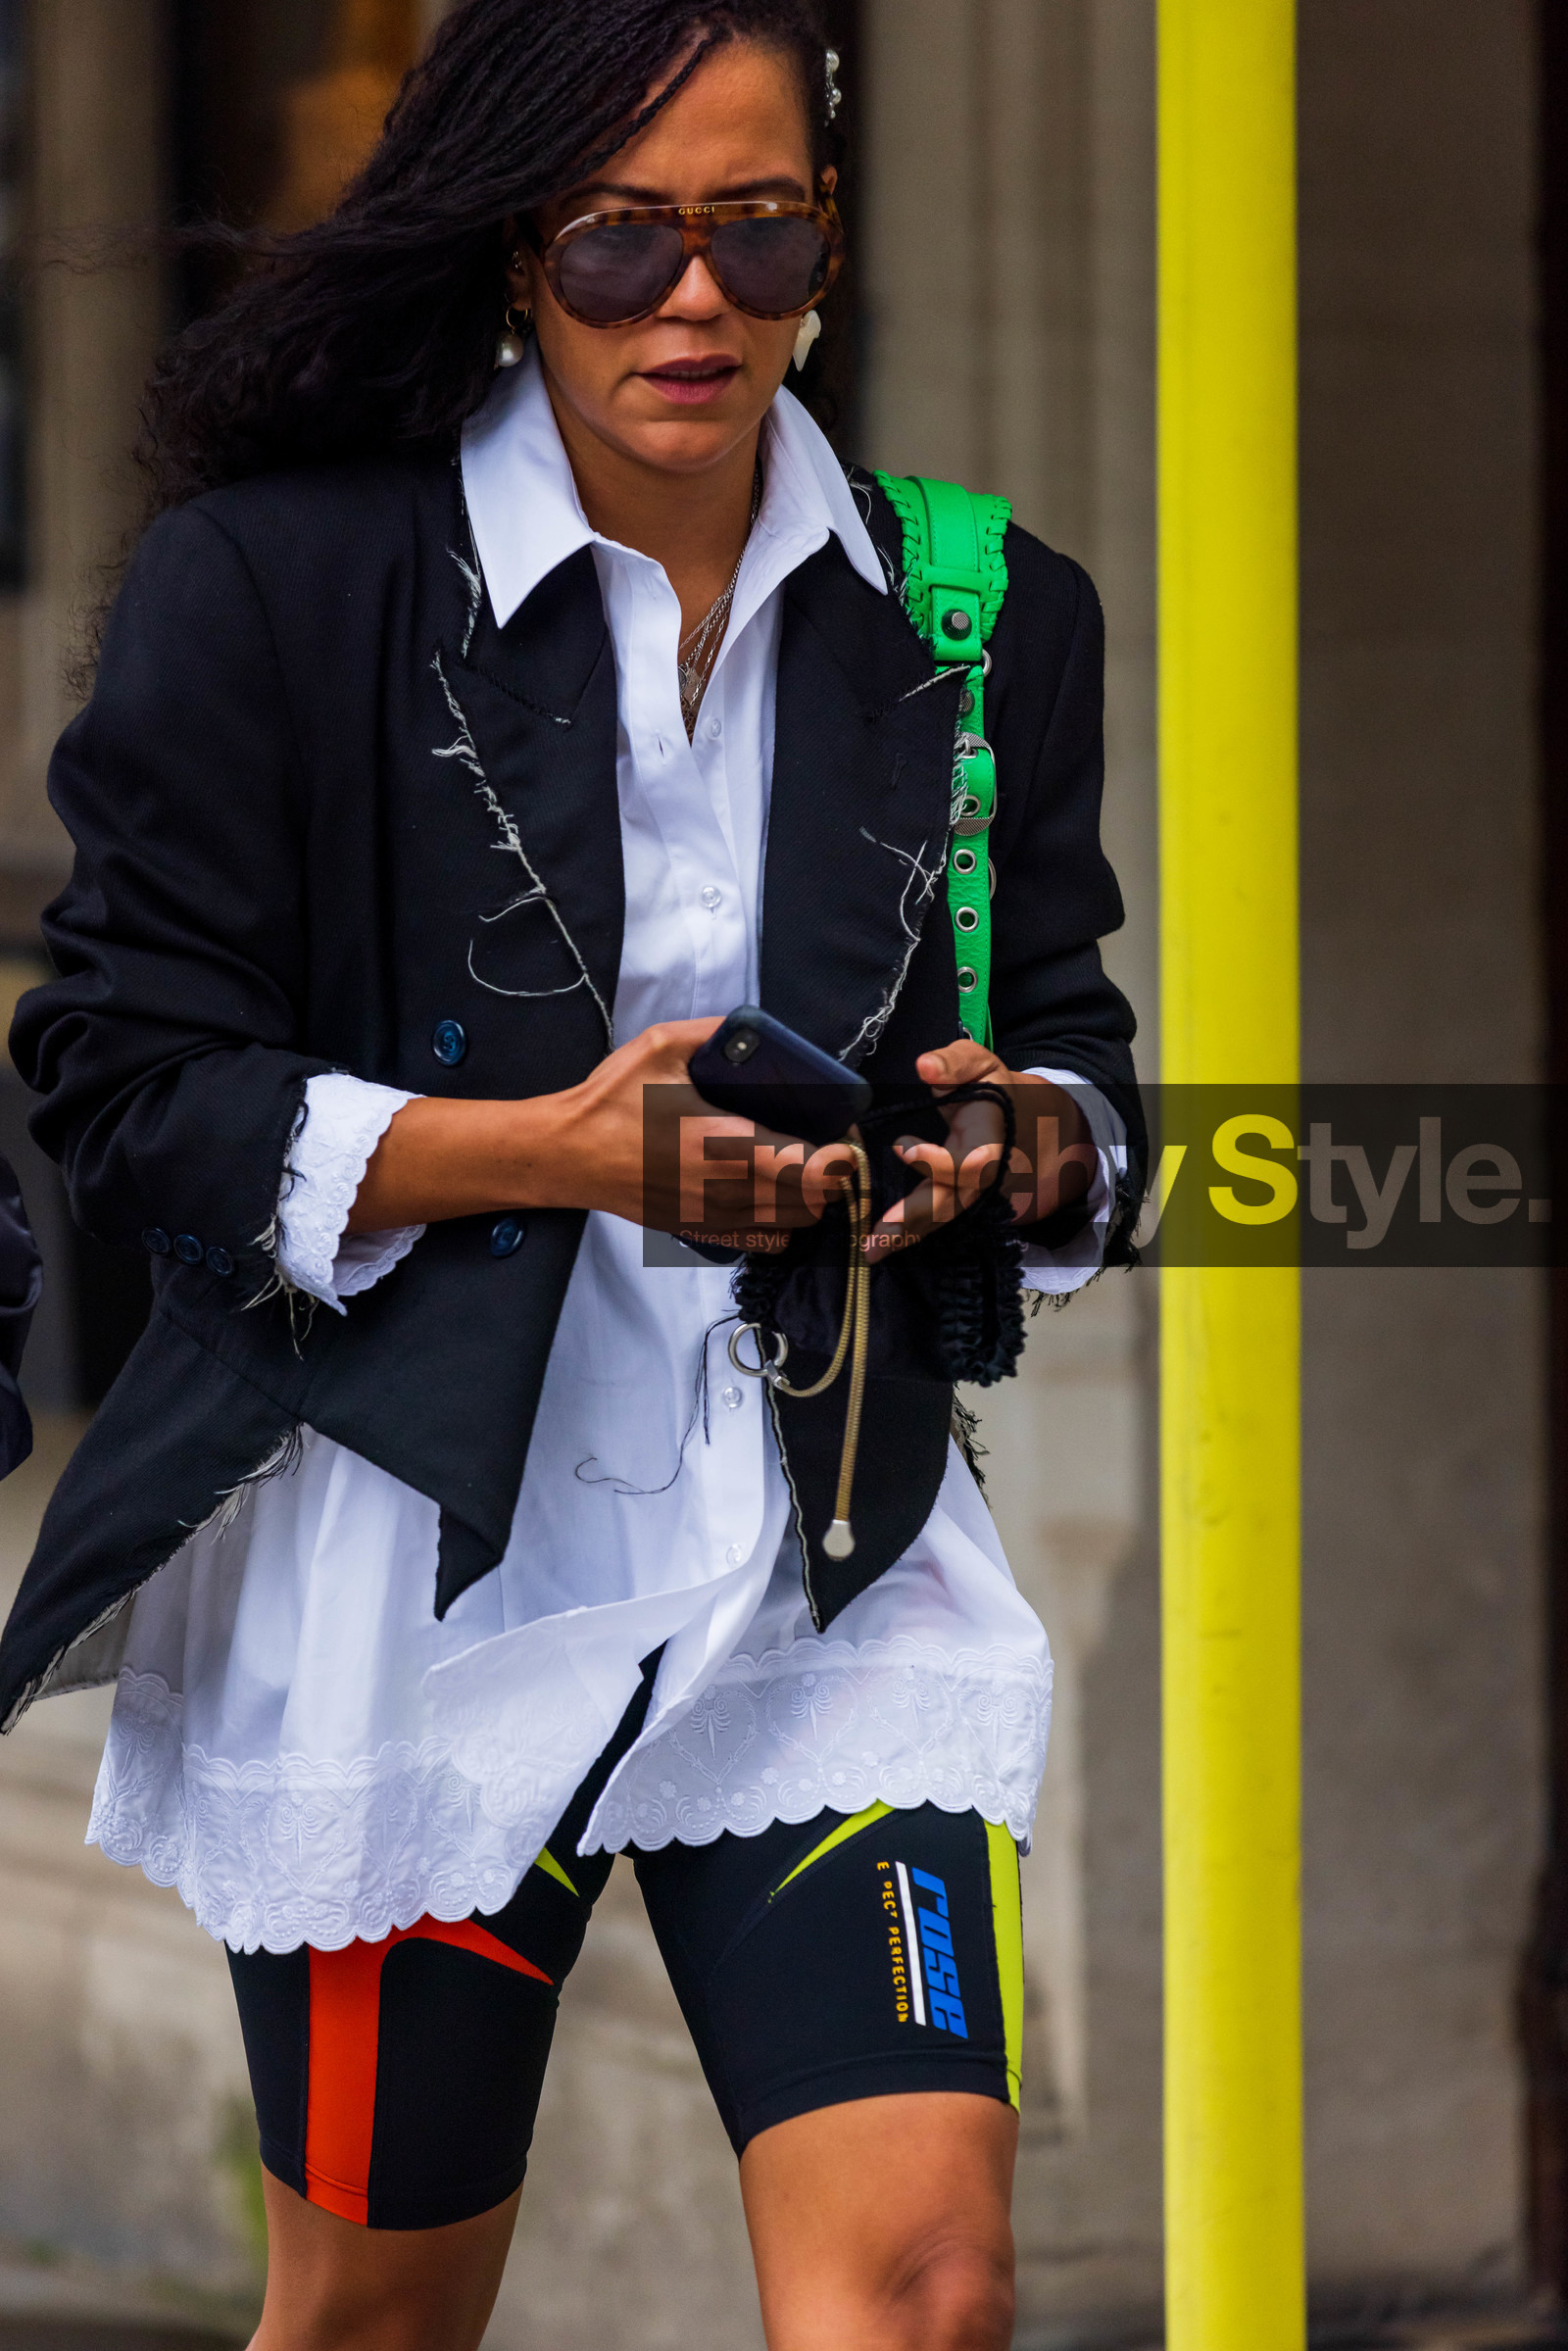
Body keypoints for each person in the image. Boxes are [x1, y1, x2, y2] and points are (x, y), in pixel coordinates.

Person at [0, 4, 1144, 2346]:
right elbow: (125, 1082)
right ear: (519, 251)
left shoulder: (979, 615)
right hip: (409, 1587)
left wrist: (1018, 1141)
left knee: (929, 2288)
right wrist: (552, 1153)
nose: (692, 298)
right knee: (377, 2316)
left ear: (829, 243)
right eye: (622, 240)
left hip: (820, 1564)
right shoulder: (284, 587)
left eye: (756, 232)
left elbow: (1072, 1053)